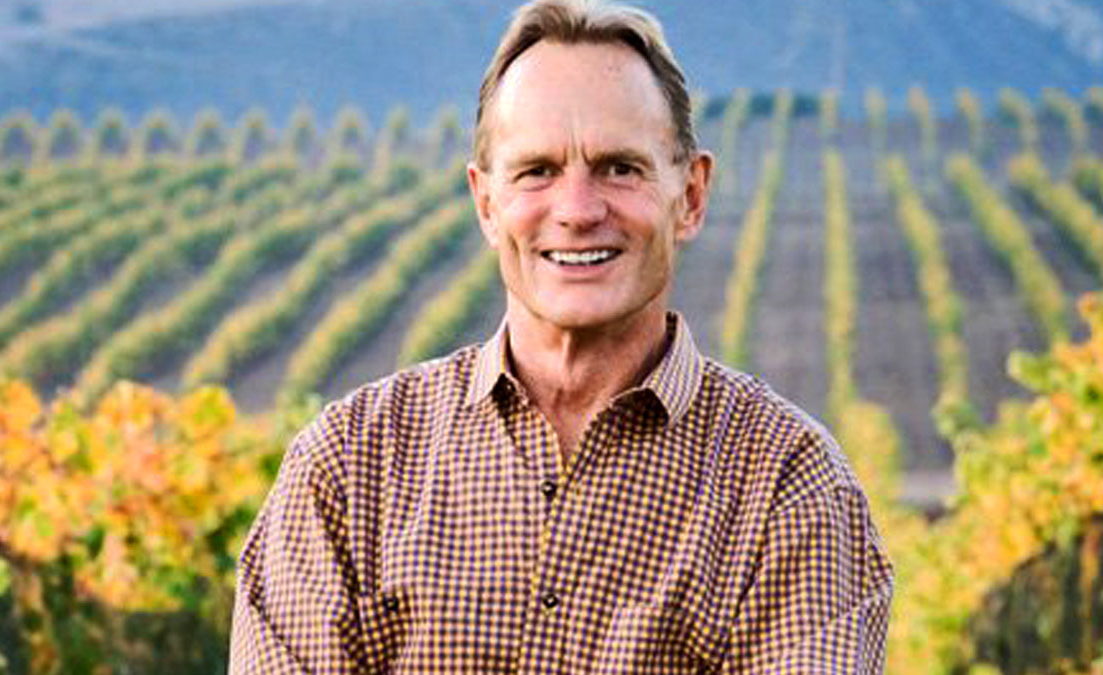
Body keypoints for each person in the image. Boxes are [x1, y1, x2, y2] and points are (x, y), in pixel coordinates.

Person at [228, 0, 894, 672]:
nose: (577, 210)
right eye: (537, 170)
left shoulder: (787, 486)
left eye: (620, 167)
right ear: (487, 204)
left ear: (690, 196)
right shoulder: (349, 467)